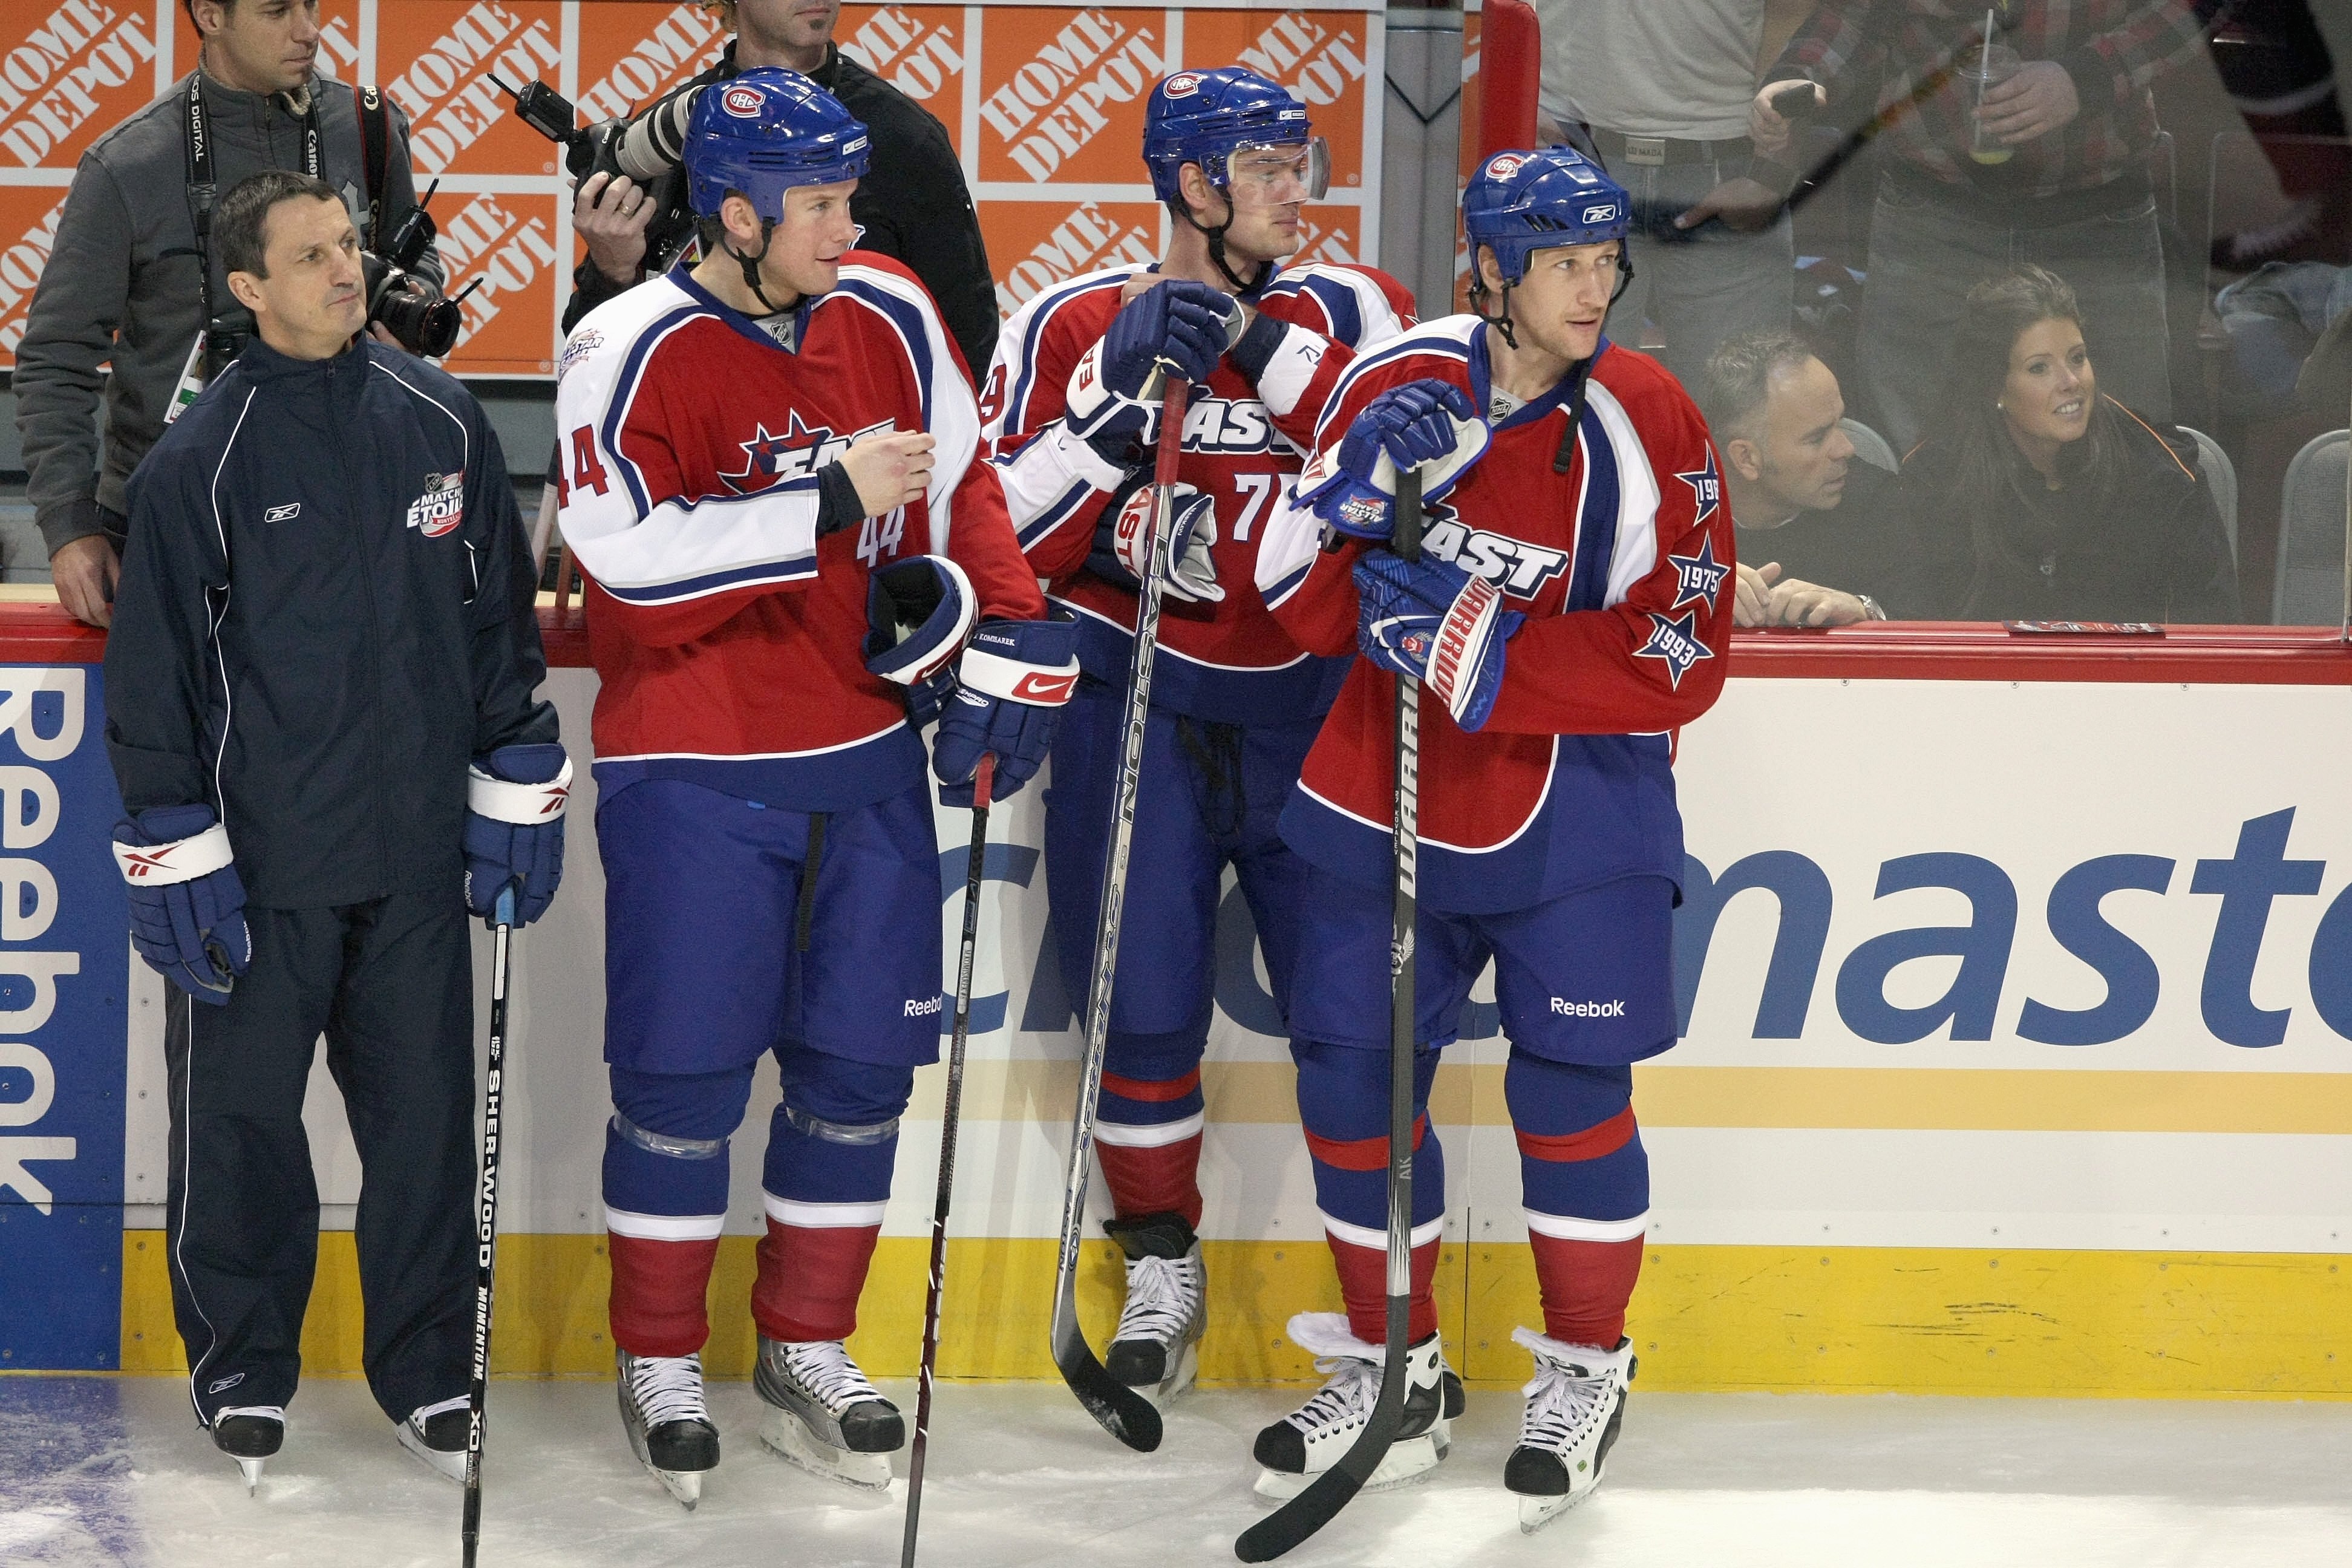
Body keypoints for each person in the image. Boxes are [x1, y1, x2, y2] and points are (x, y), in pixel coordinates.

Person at [554, 69, 1066, 1508]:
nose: (853, 224)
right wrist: (824, 500)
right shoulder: (628, 343)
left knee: (856, 1070)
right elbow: (625, 566)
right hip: (695, 768)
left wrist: (1013, 630)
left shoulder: (892, 310)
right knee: (680, 1080)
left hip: (866, 758)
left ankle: (806, 1343)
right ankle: (657, 1356)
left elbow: (964, 487)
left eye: (853, 198)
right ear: (733, 212)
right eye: (824, 205)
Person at [1250, 146, 1731, 1524]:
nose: (1593, 289)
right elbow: (1290, 598)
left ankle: (1585, 1361)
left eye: (1604, 262)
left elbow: (1685, 649)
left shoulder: (1647, 414)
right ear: (1490, 269)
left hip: (1576, 804)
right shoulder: (1397, 380)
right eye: (1562, 264)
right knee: (1355, 1078)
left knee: (1569, 1091)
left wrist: (1460, 639)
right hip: (1379, 791)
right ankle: (1395, 1369)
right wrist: (1345, 500)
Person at [100, 168, 561, 1491]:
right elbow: (159, 681)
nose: (347, 270)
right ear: (248, 289)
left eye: (350, 245)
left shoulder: (443, 417)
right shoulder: (202, 461)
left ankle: (430, 1373)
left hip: (415, 868)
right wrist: (175, 840)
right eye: (311, 256)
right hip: (263, 878)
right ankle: (242, 1368)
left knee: (423, 1135)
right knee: (243, 1136)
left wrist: (517, 776)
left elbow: (496, 637)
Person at [982, 67, 1417, 1403]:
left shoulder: (1355, 309)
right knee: (1141, 1006)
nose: (1303, 192)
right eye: (1272, 167)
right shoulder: (1067, 319)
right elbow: (1002, 532)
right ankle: (1160, 1256)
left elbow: (1396, 471)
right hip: (1141, 711)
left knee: (1354, 1030)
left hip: (1311, 714)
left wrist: (1251, 353)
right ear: (1192, 184)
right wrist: (1108, 411)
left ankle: (1384, 1320)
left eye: (1307, 164)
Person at [15, 0, 442, 630]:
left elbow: (415, 250)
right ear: (210, 16)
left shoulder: (367, 124)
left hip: (347, 504)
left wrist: (401, 313)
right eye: (277, 12)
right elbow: (55, 357)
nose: (309, 31)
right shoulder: (128, 165)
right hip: (174, 521)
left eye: (311, 5)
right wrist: (70, 526)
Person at [1750, 1, 2205, 450]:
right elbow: (1853, 15)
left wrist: (2085, 77)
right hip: (1930, 216)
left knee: (2126, 445)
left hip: (2098, 218)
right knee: (1912, 448)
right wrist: (1798, 77)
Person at [563, 0, 997, 373]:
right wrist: (612, 272)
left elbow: (967, 335)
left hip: (861, 445)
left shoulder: (903, 136)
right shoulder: (667, 137)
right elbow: (589, 355)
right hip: (707, 443)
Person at [1901, 264, 2239, 621]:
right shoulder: (1938, 478)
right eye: (2039, 368)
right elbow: (1924, 627)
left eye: (2078, 359)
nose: (2071, 382)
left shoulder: (2159, 472)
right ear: (1994, 386)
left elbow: (2214, 629)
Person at [1530, 0, 1794, 388]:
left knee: (1738, 416)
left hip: (1729, 159)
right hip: (1567, 150)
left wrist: (1774, 166)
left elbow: (1804, 14)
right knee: (1556, 413)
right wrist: (1515, 91)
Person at [1697, 330, 1907, 624]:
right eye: (1817, 437)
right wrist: (1685, 594)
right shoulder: (1665, 521)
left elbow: (1942, 635)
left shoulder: (1886, 506)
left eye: (1840, 423)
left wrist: (1866, 613)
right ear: (1746, 458)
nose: (1847, 448)